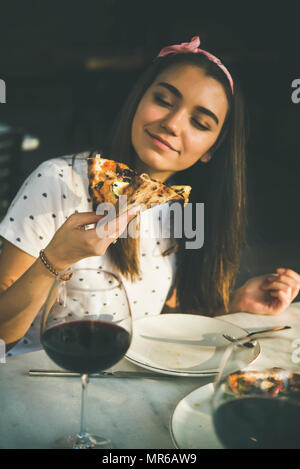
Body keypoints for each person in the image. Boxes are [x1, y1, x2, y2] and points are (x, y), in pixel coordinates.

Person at [0, 36, 299, 356]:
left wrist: (232, 305)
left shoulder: (186, 207)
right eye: (163, 100)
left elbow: (162, 319)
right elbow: (4, 334)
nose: (172, 124)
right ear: (138, 100)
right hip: (39, 380)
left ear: (211, 149)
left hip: (125, 385)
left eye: (199, 123)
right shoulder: (60, 180)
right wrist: (54, 260)